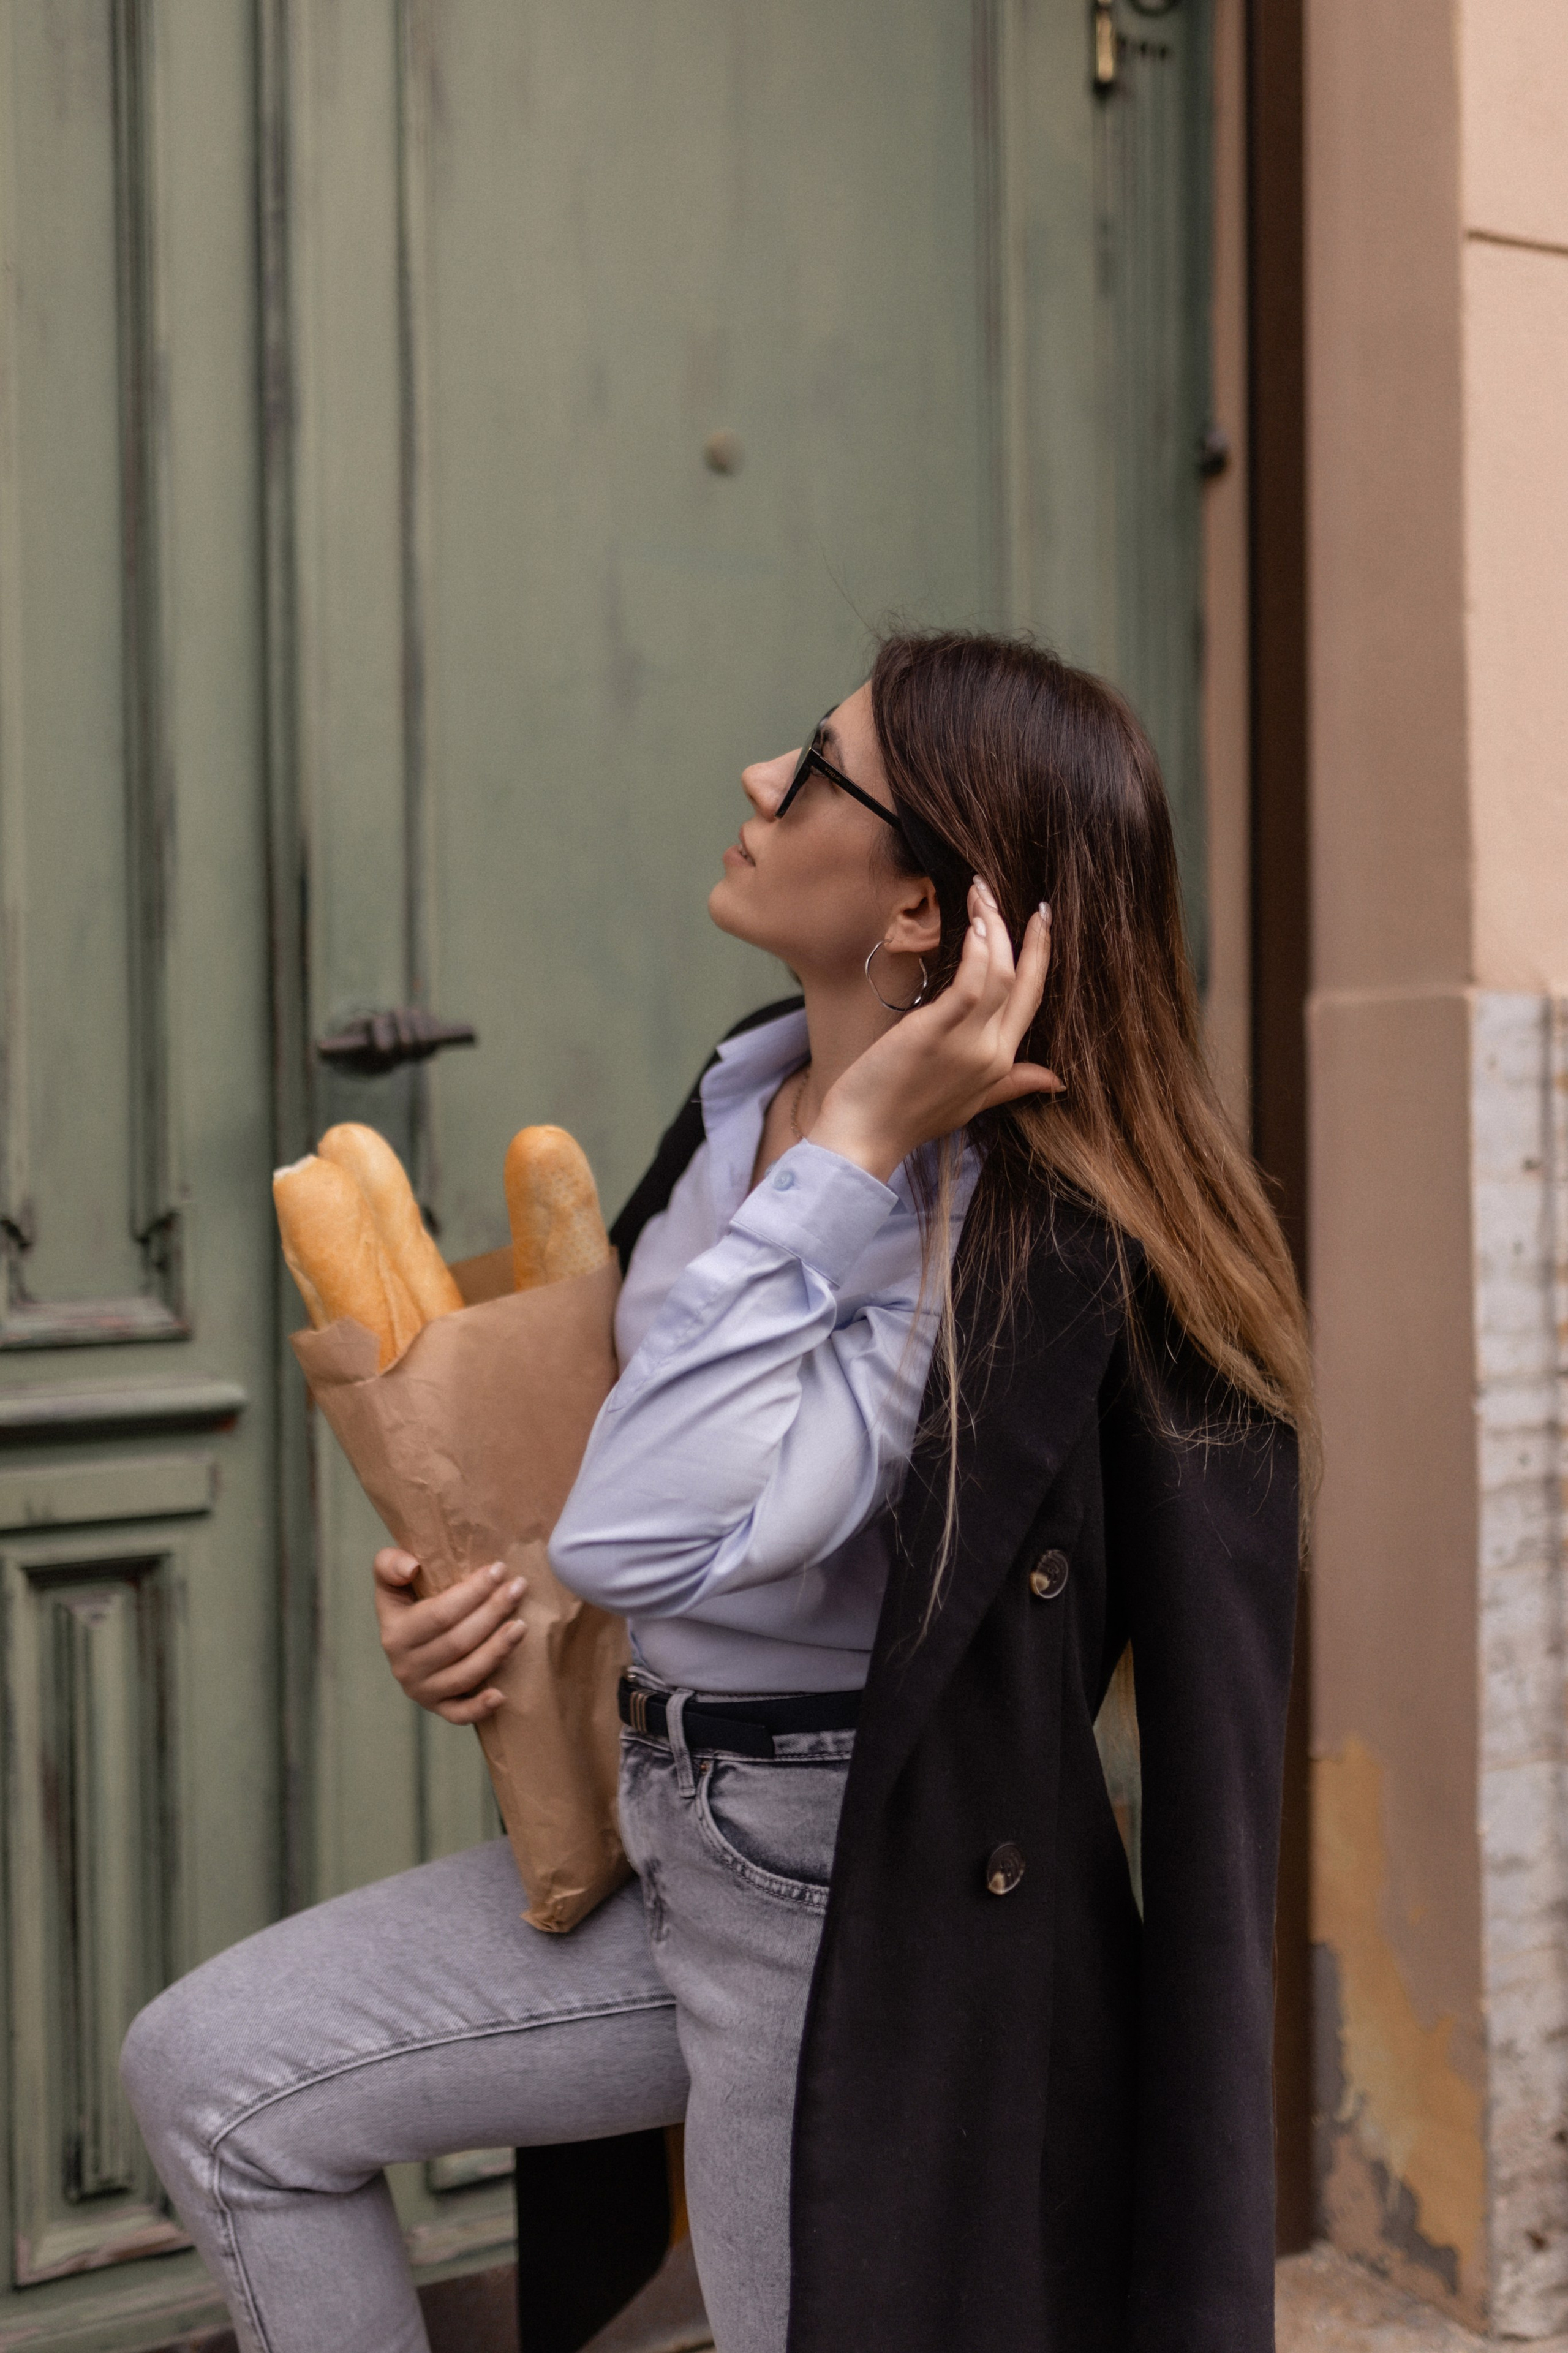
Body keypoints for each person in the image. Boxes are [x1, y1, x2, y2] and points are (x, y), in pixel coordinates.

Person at [123, 631, 1312, 2353]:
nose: (762, 783)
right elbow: (620, 1503)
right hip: (659, 1822)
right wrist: (498, 1608)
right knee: (218, 2078)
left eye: (818, 771)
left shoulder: (977, 1243)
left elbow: (645, 1519)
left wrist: (859, 1156)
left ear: (918, 908)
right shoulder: (748, 1086)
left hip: (843, 1901)